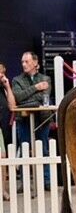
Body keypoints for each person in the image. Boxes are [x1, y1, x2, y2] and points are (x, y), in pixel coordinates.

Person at [12, 52, 52, 191]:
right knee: (24, 150)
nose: (24, 64)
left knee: (45, 149)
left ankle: (46, 181)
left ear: (35, 63)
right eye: (22, 62)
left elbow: (44, 97)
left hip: (42, 118)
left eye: (27, 61)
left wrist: (29, 99)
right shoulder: (17, 80)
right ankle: (24, 182)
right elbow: (18, 97)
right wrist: (35, 88)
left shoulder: (45, 78)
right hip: (23, 119)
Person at [0, 63, 17, 200]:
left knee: (2, 157)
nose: (1, 75)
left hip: (1, 127)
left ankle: (3, 190)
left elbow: (12, 106)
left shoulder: (3, 87)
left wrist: (7, 86)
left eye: (3, 72)